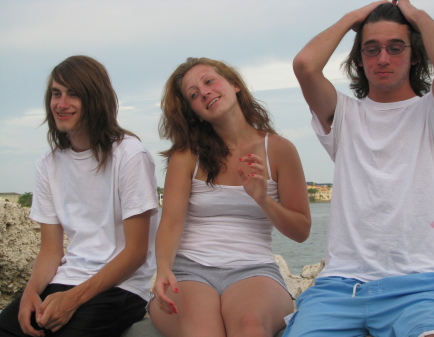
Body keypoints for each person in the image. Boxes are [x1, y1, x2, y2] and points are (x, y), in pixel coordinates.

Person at [285, 0, 434, 336]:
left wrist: (414, 14)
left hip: (417, 287)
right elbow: (304, 65)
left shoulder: (433, 111)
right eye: (371, 49)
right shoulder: (344, 116)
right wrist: (353, 19)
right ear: (359, 59)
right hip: (339, 288)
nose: (383, 58)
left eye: (395, 47)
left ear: (415, 54)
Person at [149, 57, 311, 337]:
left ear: (235, 85)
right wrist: (163, 268)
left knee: (250, 327)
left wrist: (263, 199)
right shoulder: (186, 155)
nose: (204, 92)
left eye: (209, 81)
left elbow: (301, 231)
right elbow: (171, 222)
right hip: (191, 270)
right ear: (195, 113)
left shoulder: (280, 150)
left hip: (254, 269)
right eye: (194, 95)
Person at [0, 55, 159, 337]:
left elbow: (136, 252)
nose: (61, 104)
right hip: (66, 279)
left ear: (95, 99)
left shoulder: (129, 154)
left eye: (74, 94)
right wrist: (28, 295)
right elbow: (51, 250)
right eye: (56, 94)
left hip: (121, 287)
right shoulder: (48, 164)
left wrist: (74, 299)